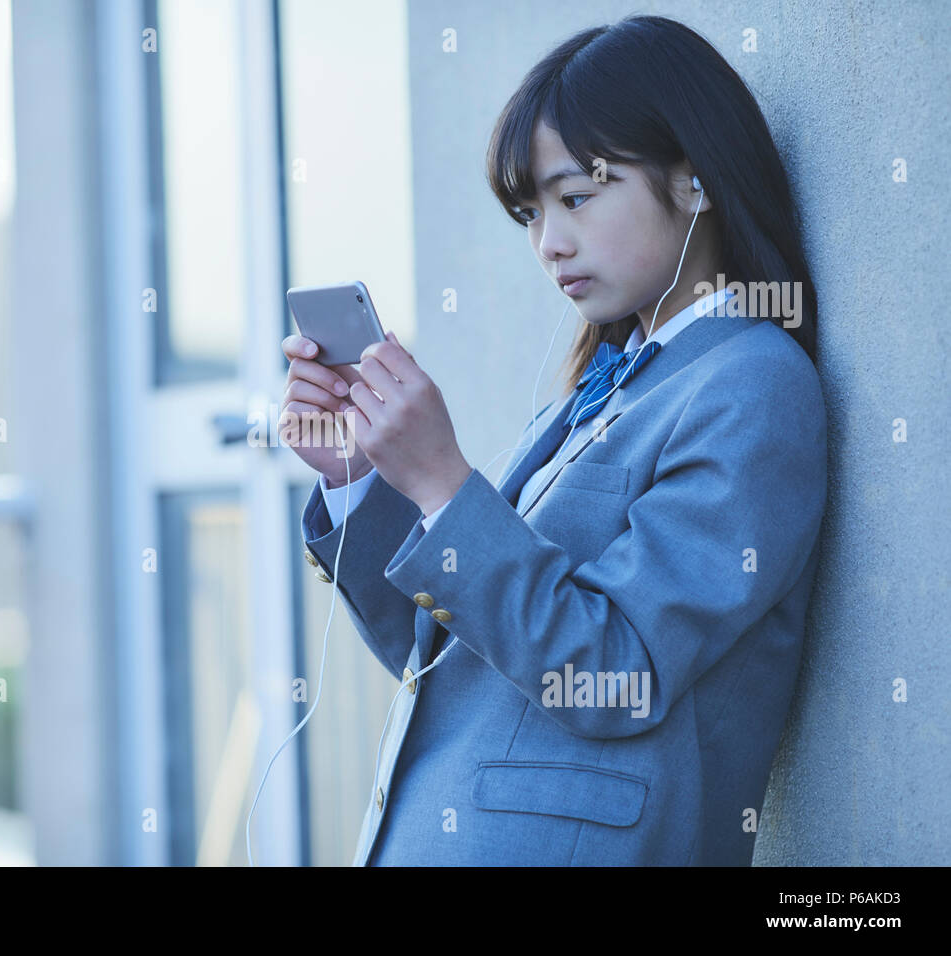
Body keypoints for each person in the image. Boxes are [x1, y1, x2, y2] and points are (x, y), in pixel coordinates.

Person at [279, 14, 826, 866]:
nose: (549, 244)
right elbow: (449, 660)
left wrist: (442, 486)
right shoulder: (600, 389)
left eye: (575, 198)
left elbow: (618, 671)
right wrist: (361, 481)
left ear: (696, 182)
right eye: (531, 213)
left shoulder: (754, 382)